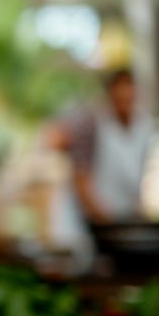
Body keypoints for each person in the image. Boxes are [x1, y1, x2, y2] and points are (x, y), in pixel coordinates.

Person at [55, 68, 152, 224]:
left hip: (123, 218)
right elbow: (80, 179)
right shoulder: (91, 124)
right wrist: (104, 218)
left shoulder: (144, 126)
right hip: (91, 223)